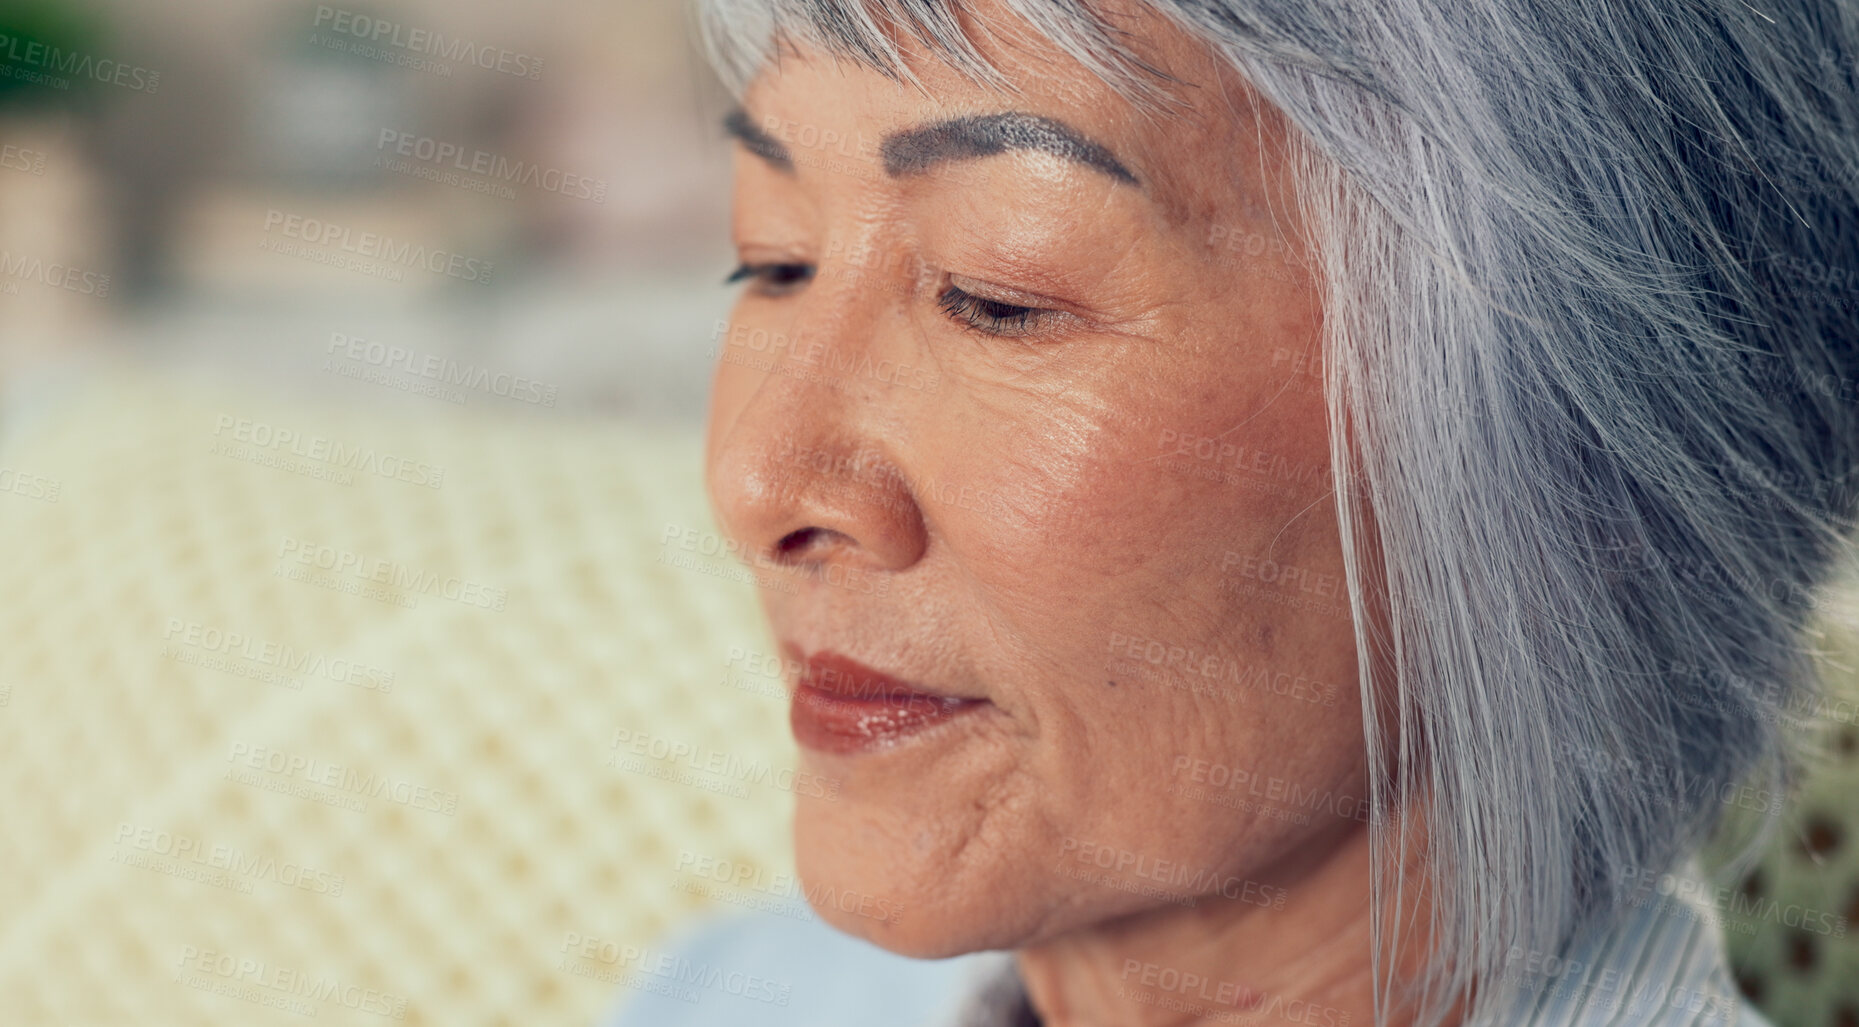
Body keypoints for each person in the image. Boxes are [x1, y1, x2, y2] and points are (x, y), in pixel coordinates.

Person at [611, 0, 1859, 1023]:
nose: (757, 478)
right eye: (773, 258)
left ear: (1595, 468)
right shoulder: (734, 994)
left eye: (997, 295)